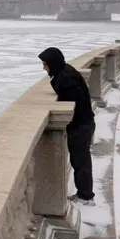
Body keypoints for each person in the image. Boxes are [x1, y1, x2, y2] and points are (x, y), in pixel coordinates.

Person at [38, 47, 96, 206]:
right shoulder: (65, 72)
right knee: (81, 161)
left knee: (80, 162)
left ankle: (86, 197)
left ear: (53, 63)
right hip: (83, 124)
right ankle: (85, 194)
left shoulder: (67, 78)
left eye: (45, 64)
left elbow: (73, 105)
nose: (44, 68)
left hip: (80, 126)